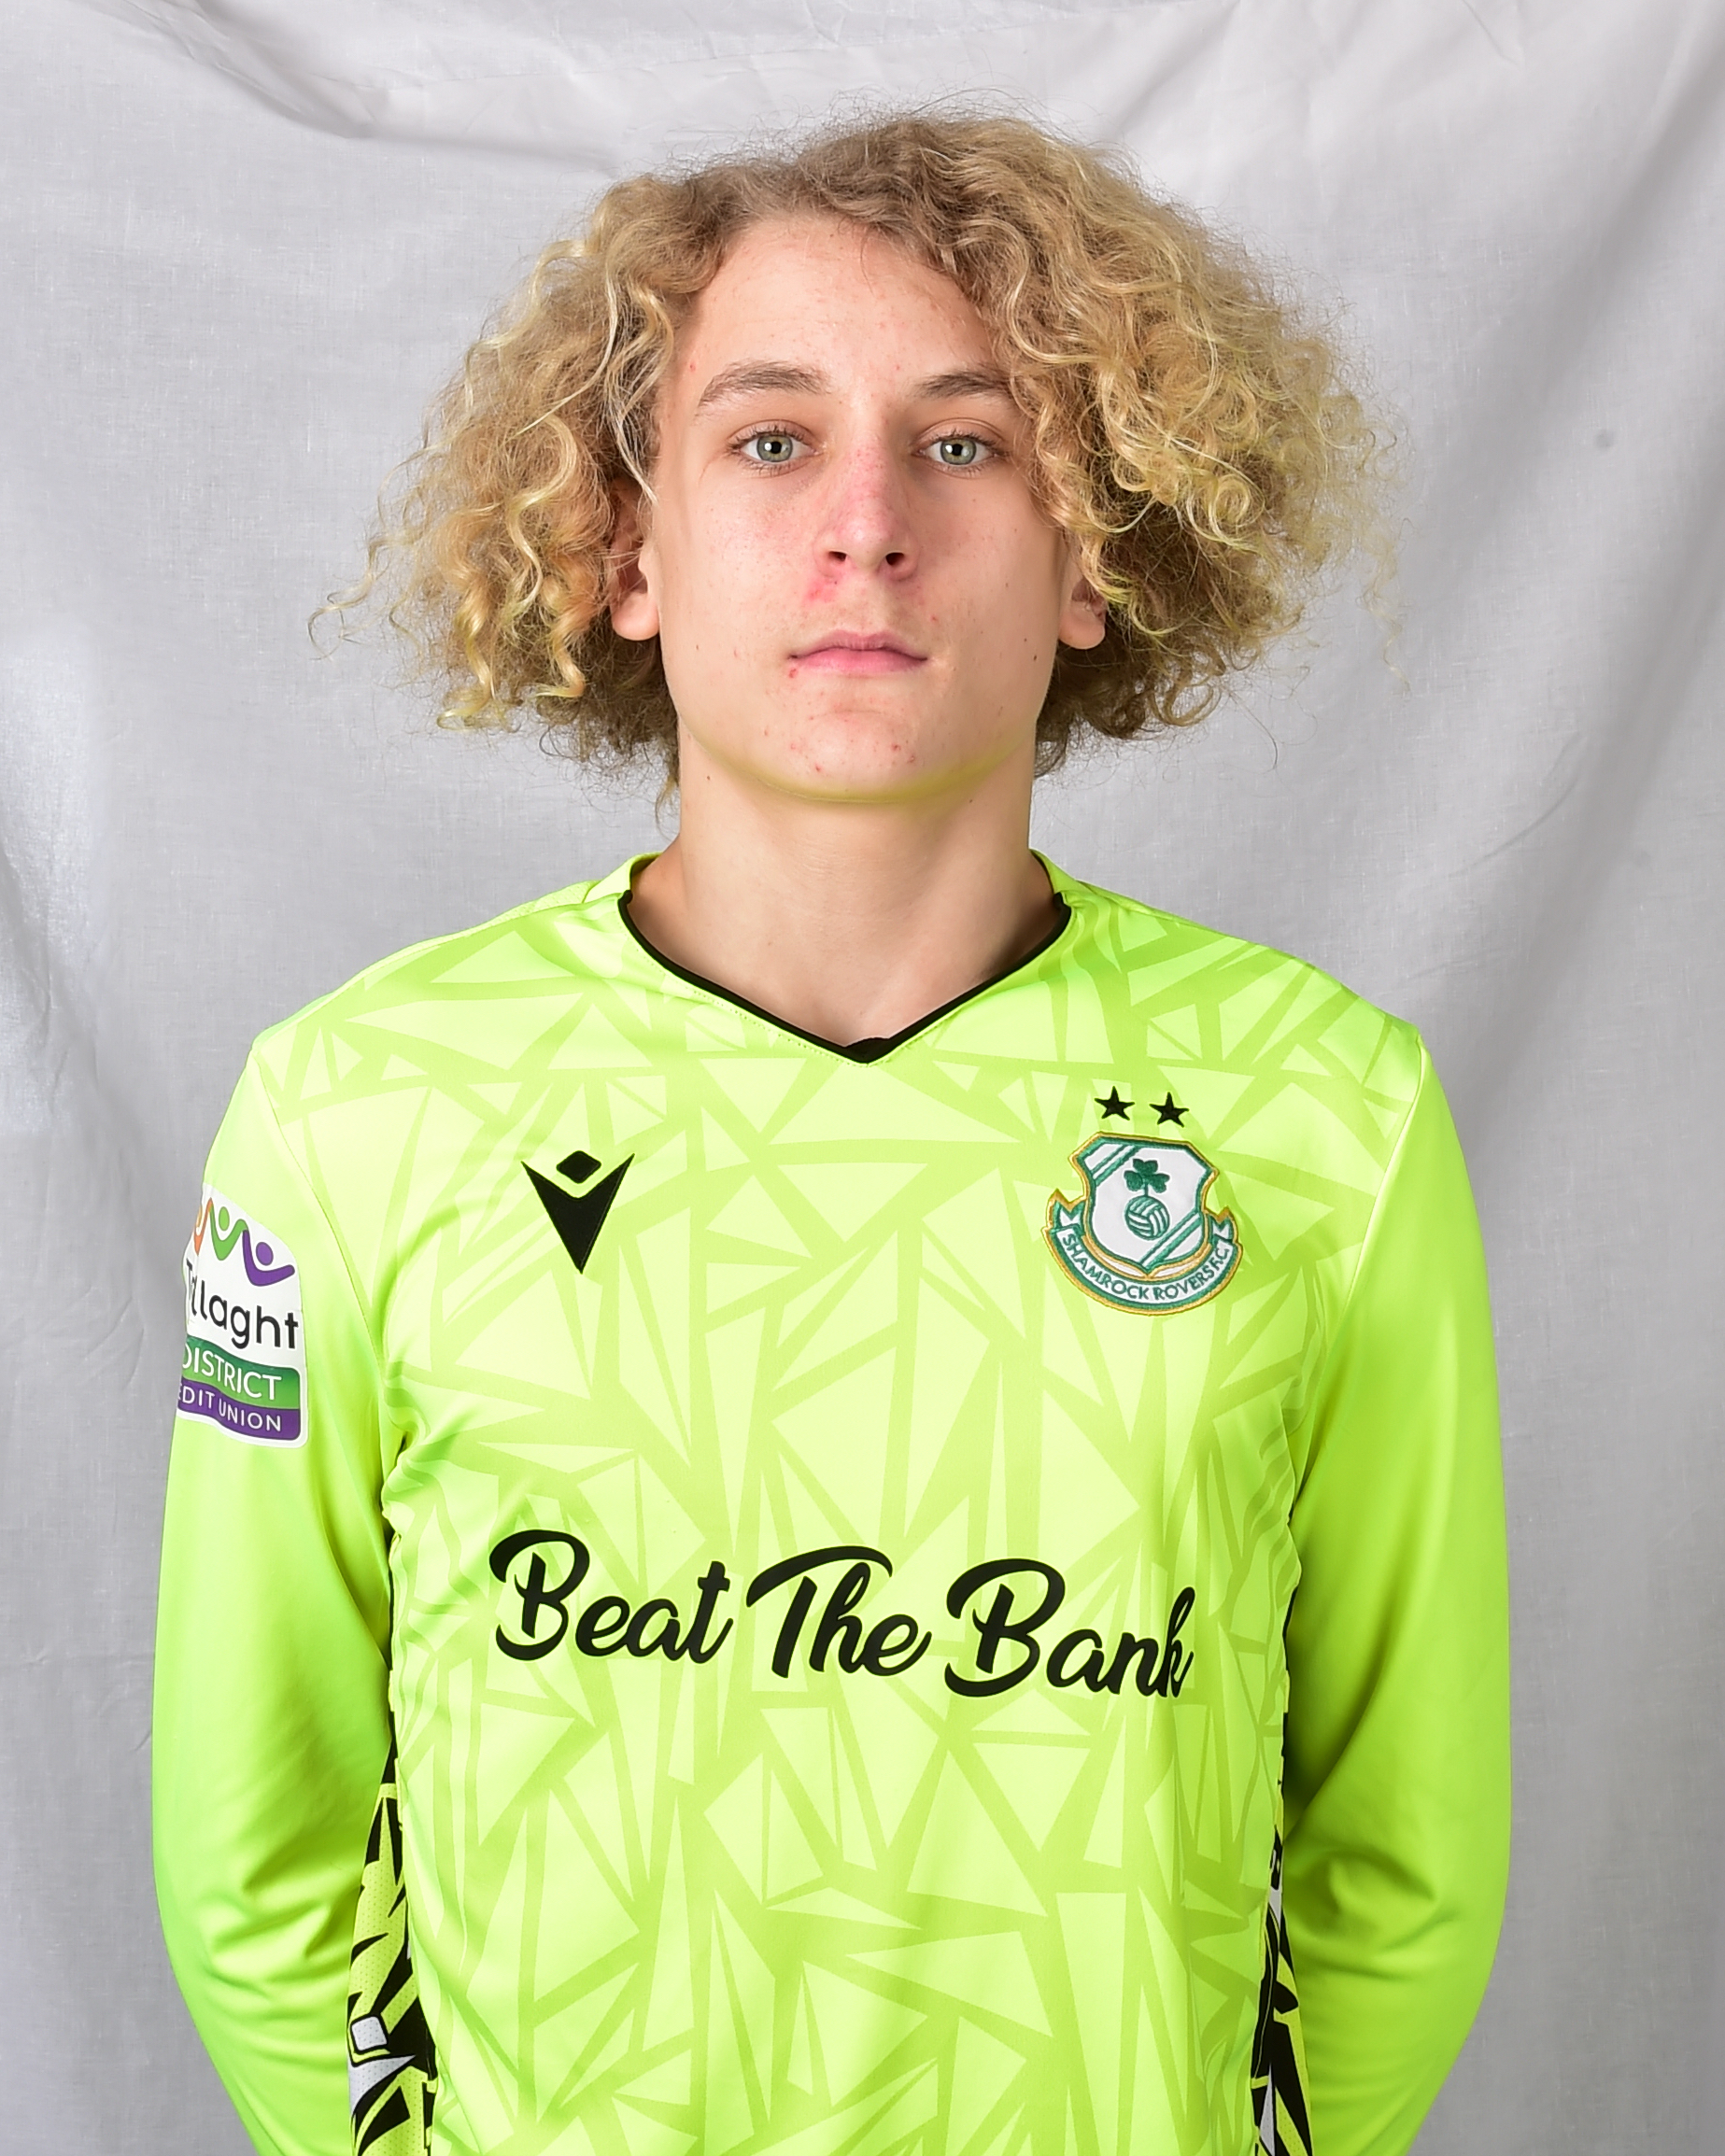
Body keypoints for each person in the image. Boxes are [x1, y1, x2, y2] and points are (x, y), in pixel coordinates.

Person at [153, 111, 1510, 2156]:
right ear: (626, 550)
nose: (867, 523)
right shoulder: (355, 1112)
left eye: (967, 442)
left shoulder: (1327, 1117)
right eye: (772, 440)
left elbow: (1404, 1863)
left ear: (1095, 553)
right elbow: (255, 1853)